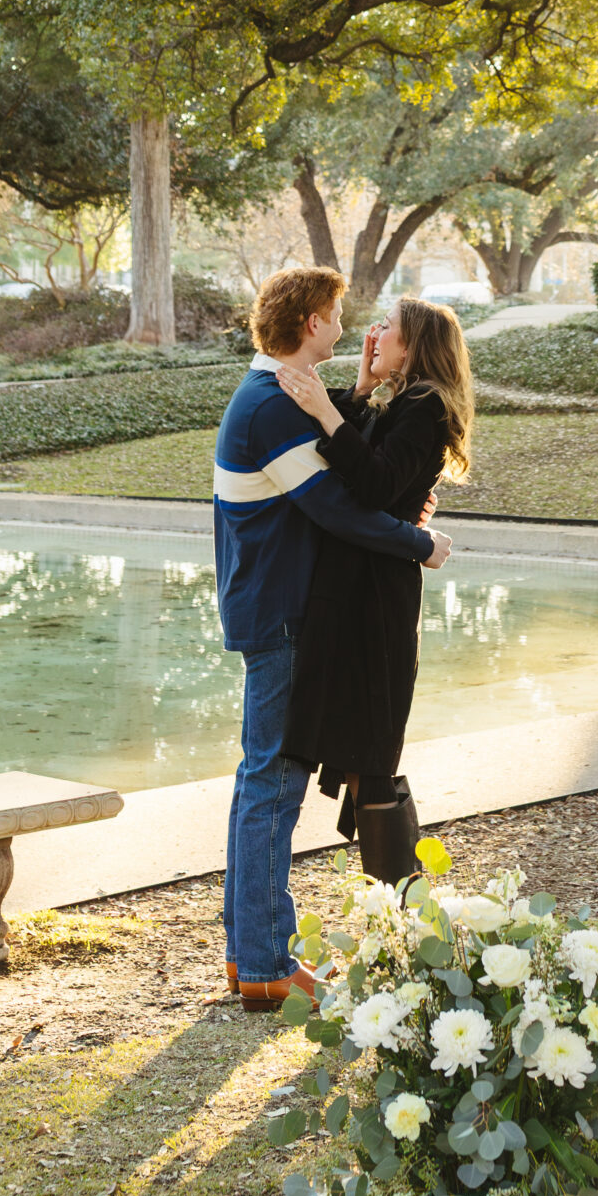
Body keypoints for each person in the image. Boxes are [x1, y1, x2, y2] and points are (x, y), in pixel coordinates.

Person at [213, 265, 453, 1010]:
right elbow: (339, 511)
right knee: (272, 787)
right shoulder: (275, 407)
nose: (355, 325)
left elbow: (357, 478)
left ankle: (248, 955)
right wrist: (423, 546)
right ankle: (262, 966)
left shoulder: (273, 395)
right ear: (313, 321)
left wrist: (346, 399)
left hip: (281, 608)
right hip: (284, 614)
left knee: (263, 782)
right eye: (342, 313)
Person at [275, 295, 475, 883]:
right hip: (358, 591)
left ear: (412, 346)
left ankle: (405, 914)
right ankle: (401, 917)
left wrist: (332, 412)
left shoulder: (426, 405)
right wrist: (359, 390)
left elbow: (374, 483)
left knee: (371, 752)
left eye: (387, 327)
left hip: (375, 600)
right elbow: (360, 464)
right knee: (362, 755)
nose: (374, 332)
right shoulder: (402, 400)